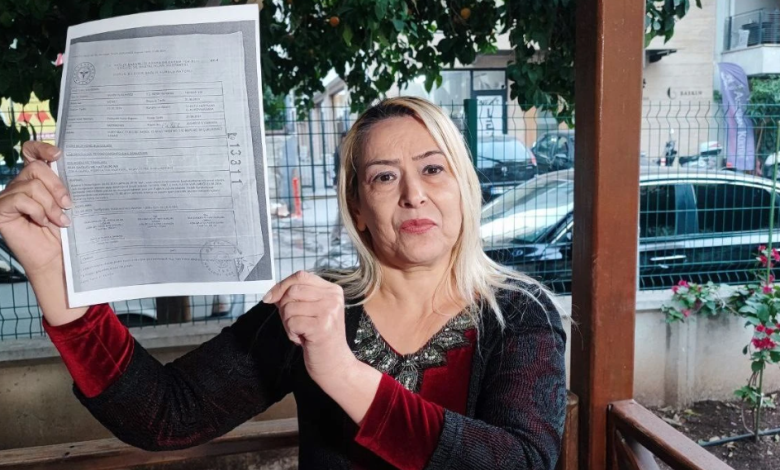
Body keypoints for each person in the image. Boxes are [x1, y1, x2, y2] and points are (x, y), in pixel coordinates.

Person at [2, 97, 567, 469]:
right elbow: (165, 414)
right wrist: (52, 272)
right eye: (384, 177)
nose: (413, 194)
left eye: (433, 168)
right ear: (358, 208)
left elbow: (523, 461)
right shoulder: (313, 308)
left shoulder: (519, 312)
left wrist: (343, 373)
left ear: (463, 186)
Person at [331, 131, 348, 244]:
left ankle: (336, 237)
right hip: (343, 184)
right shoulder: (342, 150)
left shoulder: (341, 149)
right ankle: (335, 237)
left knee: (344, 212)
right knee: (343, 211)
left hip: (344, 183)